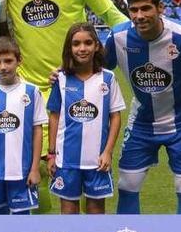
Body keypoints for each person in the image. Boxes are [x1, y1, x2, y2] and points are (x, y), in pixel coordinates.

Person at [0, 0, 128, 213]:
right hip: (30, 89)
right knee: (37, 169)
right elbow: (1, 29)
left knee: (87, 164)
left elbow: (112, 17)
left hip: (75, 86)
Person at [104, 0, 181, 232]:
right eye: (133, 10)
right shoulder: (118, 37)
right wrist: (65, 72)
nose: (139, 16)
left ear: (160, 8)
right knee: (127, 185)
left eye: (146, 8)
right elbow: (95, 71)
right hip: (142, 123)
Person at [47, 23, 125, 215]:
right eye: (76, 44)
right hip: (66, 160)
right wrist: (51, 154)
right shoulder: (61, 79)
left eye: (88, 43)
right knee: (68, 212)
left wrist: (107, 152)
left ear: (97, 46)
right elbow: (54, 116)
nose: (82, 48)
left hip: (97, 160)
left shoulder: (107, 78)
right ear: (69, 48)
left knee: (96, 212)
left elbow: (115, 117)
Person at [0, 38, 47, 215]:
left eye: (8, 61)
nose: (3, 67)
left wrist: (34, 169)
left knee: (21, 224)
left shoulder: (32, 92)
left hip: (22, 173)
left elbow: (37, 132)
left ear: (19, 60)